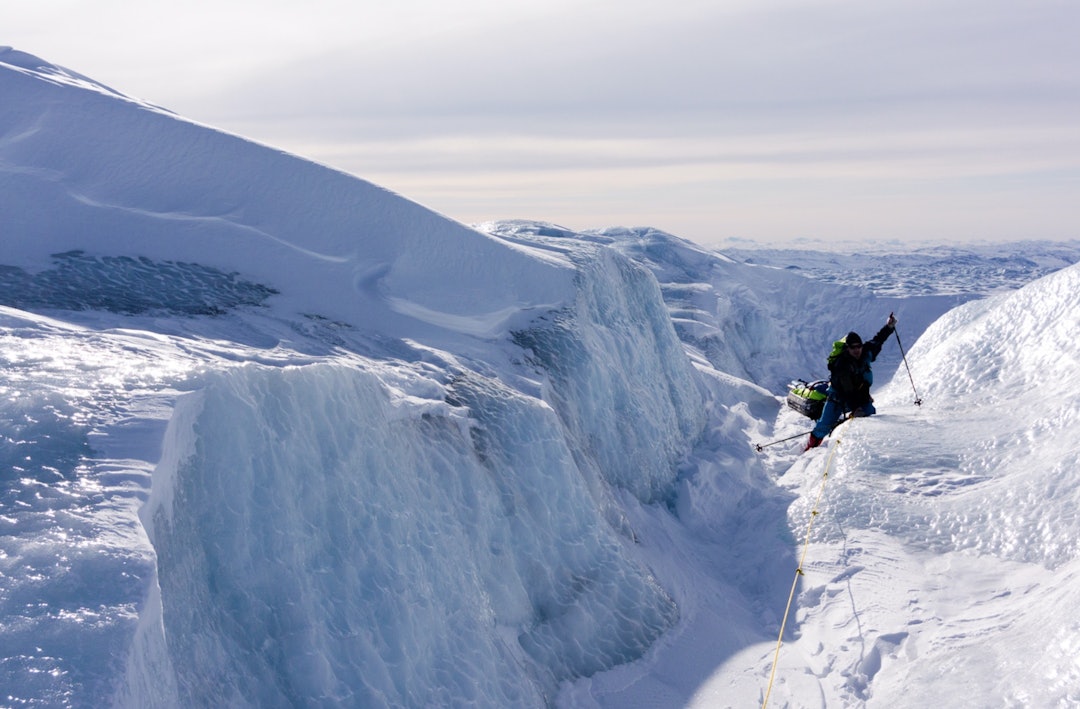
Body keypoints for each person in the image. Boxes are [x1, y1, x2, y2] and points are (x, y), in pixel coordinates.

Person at [805, 312, 897, 450]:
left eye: (858, 346)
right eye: (853, 347)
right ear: (847, 348)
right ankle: (810, 448)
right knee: (823, 426)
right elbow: (848, 391)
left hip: (860, 395)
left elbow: (878, 340)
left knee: (870, 413)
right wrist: (856, 408)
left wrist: (889, 327)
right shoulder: (842, 365)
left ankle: (862, 442)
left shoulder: (866, 352)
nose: (856, 350)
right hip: (838, 398)